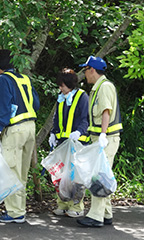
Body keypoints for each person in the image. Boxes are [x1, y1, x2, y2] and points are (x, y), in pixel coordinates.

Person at [0, 49, 40, 223]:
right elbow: (36, 104)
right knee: (22, 172)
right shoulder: (25, 78)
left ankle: (15, 213)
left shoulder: (3, 79)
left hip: (15, 129)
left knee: (10, 170)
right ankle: (19, 210)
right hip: (31, 127)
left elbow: (5, 104)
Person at [77, 56, 123, 227]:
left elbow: (106, 112)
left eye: (86, 70)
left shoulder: (104, 87)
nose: (85, 74)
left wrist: (103, 135)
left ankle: (96, 216)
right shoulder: (98, 88)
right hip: (102, 138)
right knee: (102, 175)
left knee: (99, 177)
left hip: (107, 138)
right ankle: (106, 213)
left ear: (92, 70)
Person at [49, 68, 89, 218]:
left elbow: (85, 118)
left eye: (62, 85)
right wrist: (53, 133)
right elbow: (56, 118)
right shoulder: (62, 98)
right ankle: (63, 204)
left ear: (69, 84)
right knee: (62, 176)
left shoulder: (82, 96)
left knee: (77, 177)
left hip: (78, 144)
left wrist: (79, 132)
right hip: (63, 144)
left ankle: (77, 206)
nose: (60, 88)